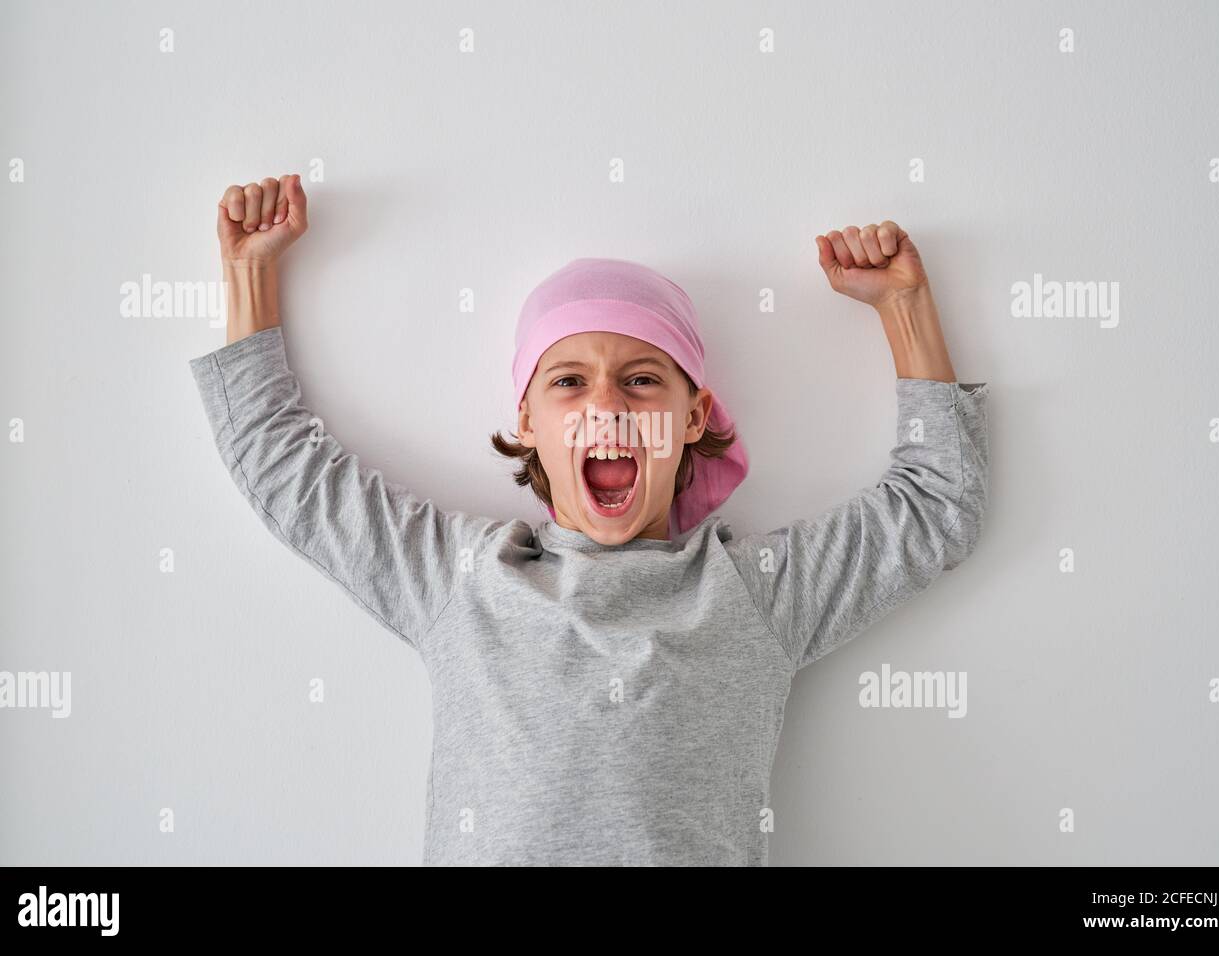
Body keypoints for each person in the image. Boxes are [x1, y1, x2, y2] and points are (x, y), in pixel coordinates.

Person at [190, 173, 990, 865]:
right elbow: (286, 467)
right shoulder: (466, 580)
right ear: (530, 420)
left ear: (692, 417)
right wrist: (248, 275)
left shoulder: (755, 595)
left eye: (642, 381)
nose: (606, 405)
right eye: (569, 382)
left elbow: (935, 507)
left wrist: (905, 307)